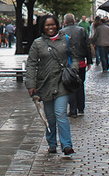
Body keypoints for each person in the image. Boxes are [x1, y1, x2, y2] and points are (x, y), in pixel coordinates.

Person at [26, 15, 75, 156]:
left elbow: (75, 56)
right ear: (43, 27)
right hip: (44, 83)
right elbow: (31, 64)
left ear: (57, 25)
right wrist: (31, 84)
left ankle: (66, 145)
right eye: (47, 25)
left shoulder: (66, 40)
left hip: (62, 83)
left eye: (52, 24)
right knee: (50, 116)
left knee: (60, 112)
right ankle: (52, 143)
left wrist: (74, 70)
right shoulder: (38, 43)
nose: (50, 27)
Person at [61, 13, 89, 117]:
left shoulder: (62, 32)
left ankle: (73, 108)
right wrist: (89, 60)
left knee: (70, 85)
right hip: (81, 62)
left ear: (65, 22)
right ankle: (81, 107)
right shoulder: (81, 30)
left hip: (68, 63)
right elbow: (87, 45)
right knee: (80, 84)